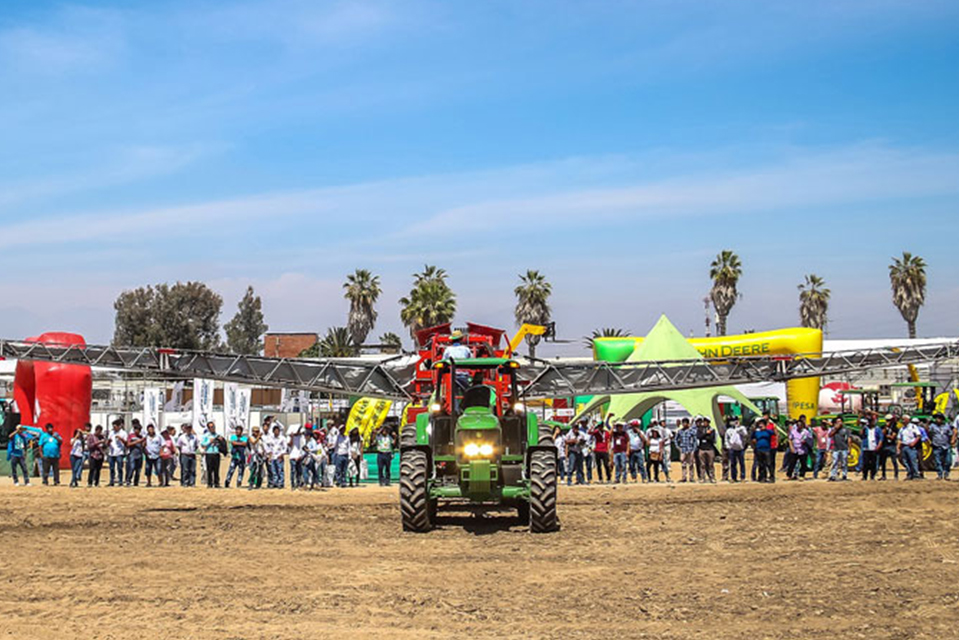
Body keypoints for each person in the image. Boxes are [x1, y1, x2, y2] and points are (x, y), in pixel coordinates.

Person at [928, 413, 955, 480]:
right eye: (936, 418)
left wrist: (952, 441)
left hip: (946, 446)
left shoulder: (947, 426)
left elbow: (950, 434)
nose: (937, 419)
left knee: (948, 461)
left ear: (942, 419)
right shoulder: (932, 426)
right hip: (936, 446)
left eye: (939, 418)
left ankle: (946, 474)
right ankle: (939, 474)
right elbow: (929, 433)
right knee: (937, 461)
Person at [751, 418, 775, 483]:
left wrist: (767, 428)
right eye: (759, 424)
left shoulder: (768, 431)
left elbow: (774, 433)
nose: (761, 426)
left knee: (769, 463)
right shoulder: (756, 432)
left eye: (762, 424)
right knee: (761, 464)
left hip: (767, 449)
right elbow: (752, 438)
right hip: (759, 449)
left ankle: (772, 477)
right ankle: (763, 477)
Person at [724, 418, 748, 483]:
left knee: (742, 463)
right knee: (733, 464)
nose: (735, 422)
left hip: (740, 449)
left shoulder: (742, 428)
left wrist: (738, 428)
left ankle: (742, 477)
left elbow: (745, 434)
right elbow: (726, 439)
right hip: (732, 449)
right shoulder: (729, 430)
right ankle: (733, 477)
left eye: (736, 421)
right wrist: (728, 446)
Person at [107, 419, 128, 487]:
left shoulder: (123, 433)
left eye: (115, 426)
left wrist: (120, 439)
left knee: (120, 468)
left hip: (119, 452)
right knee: (111, 468)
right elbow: (107, 443)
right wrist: (108, 442)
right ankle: (111, 481)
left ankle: (120, 481)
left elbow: (126, 443)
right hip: (111, 453)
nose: (114, 428)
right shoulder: (111, 433)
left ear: (119, 426)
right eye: (113, 426)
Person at [697, 418, 718, 483]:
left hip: (710, 449)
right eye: (704, 421)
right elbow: (699, 436)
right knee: (702, 464)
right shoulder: (700, 429)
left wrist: (705, 436)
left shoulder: (712, 430)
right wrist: (706, 433)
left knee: (710, 464)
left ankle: (712, 477)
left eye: (706, 422)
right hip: (702, 448)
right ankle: (702, 477)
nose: (705, 423)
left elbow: (712, 438)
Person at [879, 415, 900, 481]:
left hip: (892, 445)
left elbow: (892, 437)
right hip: (884, 445)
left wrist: (886, 435)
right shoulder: (883, 427)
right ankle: (883, 475)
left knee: (894, 461)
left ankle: (896, 475)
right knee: (883, 462)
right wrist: (886, 428)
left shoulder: (895, 428)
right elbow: (882, 433)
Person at [590, 419, 611, 483]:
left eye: (601, 426)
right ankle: (600, 478)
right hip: (597, 450)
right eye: (599, 426)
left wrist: (608, 449)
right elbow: (589, 432)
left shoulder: (606, 432)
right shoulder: (596, 432)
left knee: (606, 465)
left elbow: (608, 441)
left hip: (604, 450)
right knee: (598, 465)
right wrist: (594, 426)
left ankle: (608, 478)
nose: (600, 427)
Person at [676, 418, 697, 483]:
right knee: (683, 464)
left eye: (685, 423)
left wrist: (694, 449)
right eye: (683, 423)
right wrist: (678, 447)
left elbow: (695, 440)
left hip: (690, 449)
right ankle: (684, 477)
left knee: (691, 464)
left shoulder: (691, 431)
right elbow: (676, 439)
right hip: (683, 449)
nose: (684, 424)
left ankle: (691, 477)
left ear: (688, 424)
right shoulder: (680, 431)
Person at [125, 422, 146, 487]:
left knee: (138, 469)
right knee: (132, 467)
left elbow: (143, 446)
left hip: (139, 454)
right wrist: (137, 442)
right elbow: (128, 444)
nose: (137, 431)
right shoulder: (131, 436)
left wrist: (144, 443)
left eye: (138, 430)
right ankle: (128, 480)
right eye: (136, 429)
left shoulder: (141, 437)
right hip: (132, 454)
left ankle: (136, 481)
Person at [247, 425, 266, 489]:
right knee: (254, 470)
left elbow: (262, 446)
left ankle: (258, 484)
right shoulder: (251, 437)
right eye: (255, 431)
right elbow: (253, 442)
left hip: (260, 455)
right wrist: (258, 437)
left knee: (260, 470)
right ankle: (251, 483)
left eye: (257, 431)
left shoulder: (261, 439)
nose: (256, 433)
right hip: (254, 455)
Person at [269, 424, 288, 488]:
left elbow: (285, 448)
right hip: (273, 456)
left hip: (279, 456)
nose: (276, 432)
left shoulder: (282, 438)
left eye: (277, 431)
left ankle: (281, 482)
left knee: (280, 470)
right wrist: (270, 455)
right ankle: (275, 482)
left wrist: (282, 454)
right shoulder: (271, 438)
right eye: (275, 431)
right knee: (274, 470)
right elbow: (270, 447)